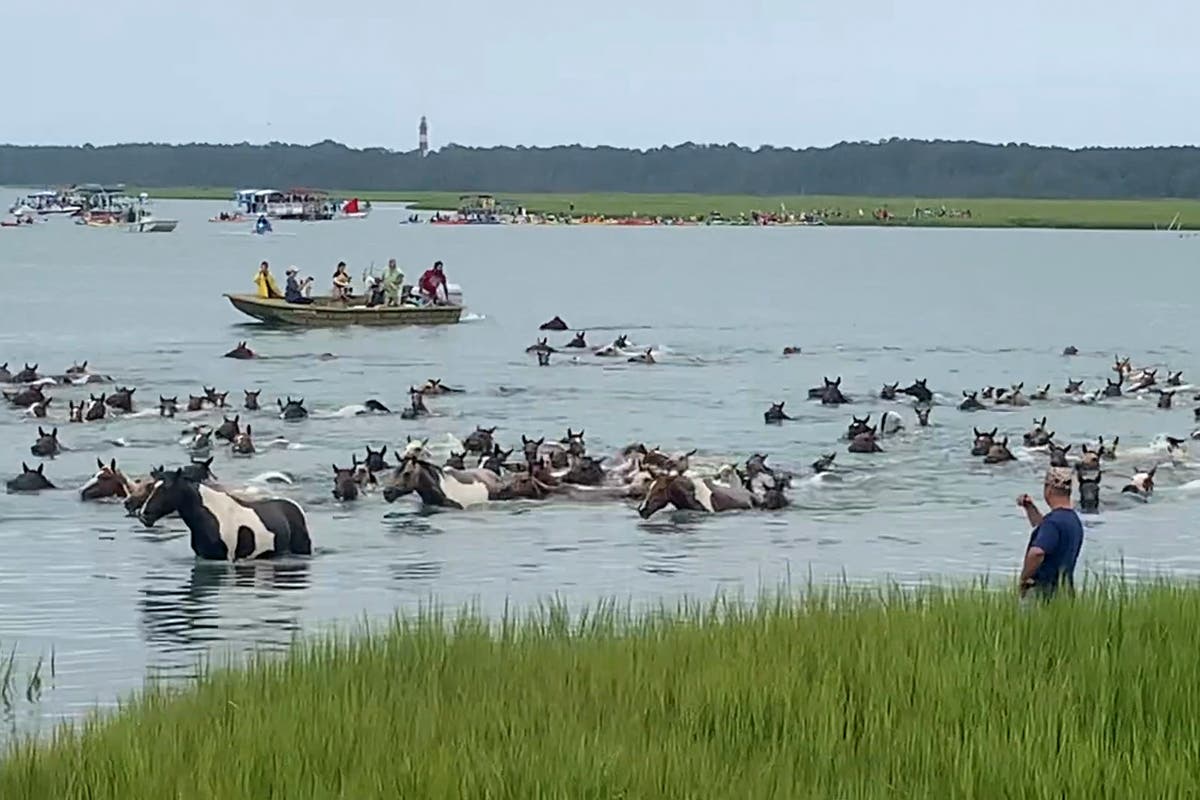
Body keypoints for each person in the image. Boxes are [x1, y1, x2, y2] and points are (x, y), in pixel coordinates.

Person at [1016, 467, 1085, 601]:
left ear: (1049, 490)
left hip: (1043, 593)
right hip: (1064, 591)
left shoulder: (1053, 523)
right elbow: (1044, 529)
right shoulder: (1073, 520)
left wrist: (1024, 579)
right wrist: (1030, 508)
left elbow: (1037, 552)